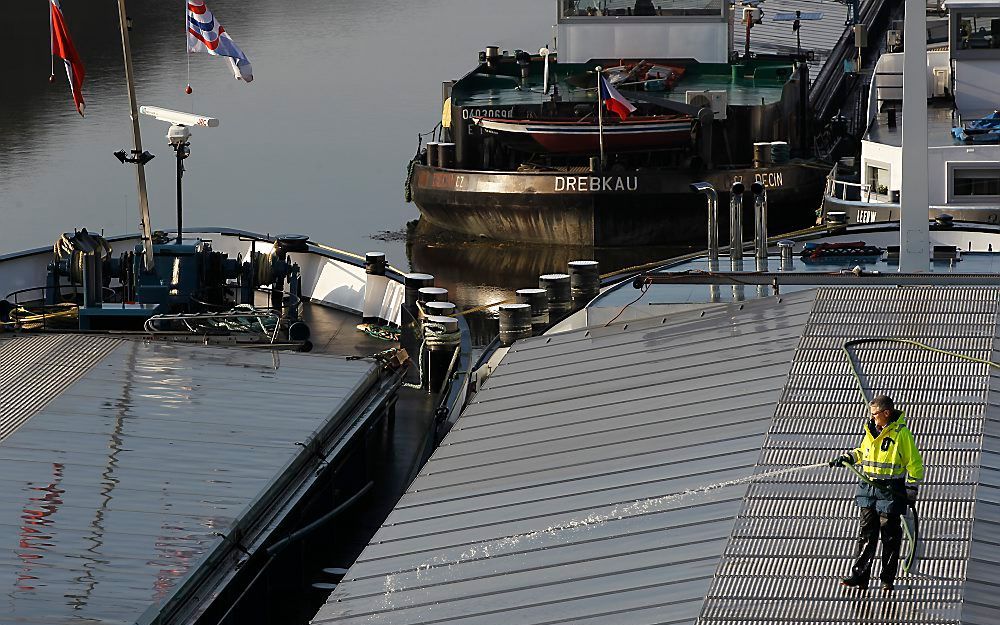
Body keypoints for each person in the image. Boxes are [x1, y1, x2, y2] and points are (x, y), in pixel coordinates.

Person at [829, 394, 923, 591]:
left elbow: (914, 464)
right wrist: (847, 457)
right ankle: (860, 576)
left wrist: (911, 490)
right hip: (869, 488)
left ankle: (887, 579)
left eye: (875, 414)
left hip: (890, 490)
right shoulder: (870, 430)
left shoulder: (901, 434)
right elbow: (863, 452)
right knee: (866, 533)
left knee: (889, 535)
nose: (872, 417)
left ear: (886, 413)